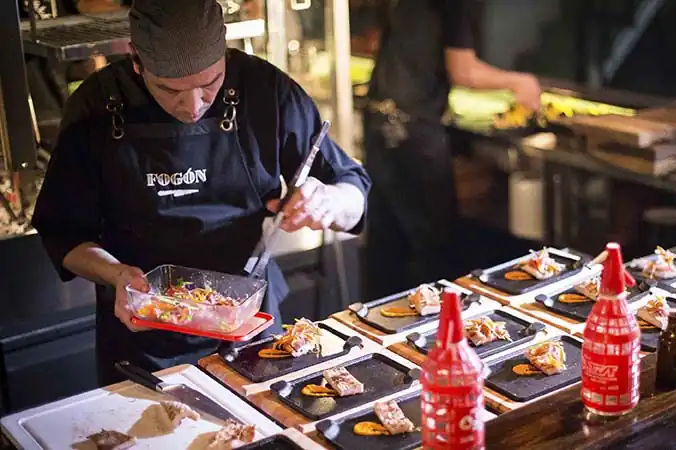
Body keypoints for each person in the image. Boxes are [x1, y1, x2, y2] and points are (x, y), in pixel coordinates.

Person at [32, 0, 370, 385]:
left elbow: (353, 191)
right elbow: (64, 234)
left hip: (251, 328)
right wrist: (116, 274)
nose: (193, 106)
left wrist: (330, 201)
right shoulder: (96, 104)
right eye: (169, 89)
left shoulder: (266, 90)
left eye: (210, 83)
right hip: (143, 339)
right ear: (136, 60)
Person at [363, 0, 542, 299]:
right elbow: (464, 71)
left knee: (386, 250)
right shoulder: (455, 5)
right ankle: (438, 323)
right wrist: (520, 82)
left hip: (378, 124)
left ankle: (381, 322)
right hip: (412, 132)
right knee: (435, 251)